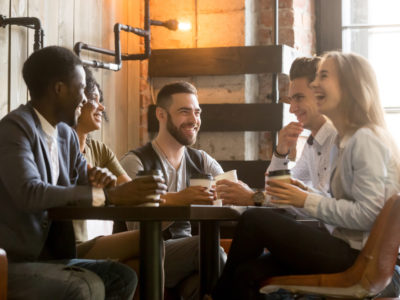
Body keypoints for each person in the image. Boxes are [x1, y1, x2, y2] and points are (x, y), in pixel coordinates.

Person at [211, 51, 400, 300]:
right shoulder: (344, 140)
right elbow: (287, 192)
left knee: (255, 220)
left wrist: (304, 199)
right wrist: (301, 190)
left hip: (358, 257)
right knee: (247, 273)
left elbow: (367, 215)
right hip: (345, 247)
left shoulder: (362, 139)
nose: (317, 84)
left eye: (324, 77)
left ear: (348, 88)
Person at [0, 46, 166, 300]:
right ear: (59, 89)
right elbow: (29, 193)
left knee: (122, 277)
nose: (85, 100)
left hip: (54, 257)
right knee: (87, 286)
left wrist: (104, 184)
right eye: (80, 88)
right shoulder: (15, 128)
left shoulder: (65, 135)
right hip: (13, 261)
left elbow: (85, 182)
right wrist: (107, 196)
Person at [120, 81, 226, 299]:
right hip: (145, 252)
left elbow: (232, 189)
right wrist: (180, 200)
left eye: (197, 112)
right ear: (161, 114)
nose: (194, 120)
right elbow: (135, 226)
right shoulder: (136, 162)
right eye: (184, 112)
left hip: (184, 257)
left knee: (204, 281)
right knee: (208, 249)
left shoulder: (202, 160)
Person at [215, 56, 337, 207]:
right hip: (319, 227)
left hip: (332, 229)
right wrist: (281, 151)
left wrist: (254, 197)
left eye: (299, 98)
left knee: (252, 220)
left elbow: (322, 205)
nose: (292, 109)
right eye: (291, 100)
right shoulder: (313, 143)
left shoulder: (339, 139)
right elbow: (276, 192)